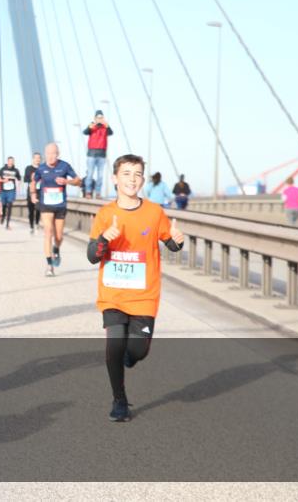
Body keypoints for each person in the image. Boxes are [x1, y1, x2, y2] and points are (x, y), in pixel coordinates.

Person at [87, 154, 184, 422]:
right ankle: (119, 400)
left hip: (144, 296)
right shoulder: (106, 214)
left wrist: (177, 240)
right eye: (126, 173)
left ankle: (132, 354)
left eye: (137, 174)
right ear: (115, 179)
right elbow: (92, 255)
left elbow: (171, 244)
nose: (132, 178)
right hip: (113, 295)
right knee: (114, 345)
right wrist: (104, 240)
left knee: (137, 351)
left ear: (143, 179)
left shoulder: (154, 213)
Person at [30, 143, 82, 277]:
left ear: (57, 154)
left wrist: (67, 182)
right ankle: (49, 265)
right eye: (48, 153)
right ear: (45, 154)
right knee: (48, 232)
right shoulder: (41, 168)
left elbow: (78, 181)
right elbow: (33, 181)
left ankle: (56, 248)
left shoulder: (64, 166)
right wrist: (33, 194)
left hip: (60, 205)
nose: (51, 156)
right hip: (46, 204)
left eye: (53, 153)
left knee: (59, 236)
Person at [83, 110, 114, 198]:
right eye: (98, 118)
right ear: (95, 118)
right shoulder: (92, 126)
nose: (100, 119)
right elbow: (85, 132)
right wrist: (89, 127)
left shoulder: (105, 127)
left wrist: (107, 126)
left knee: (100, 176)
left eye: (101, 117)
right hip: (91, 153)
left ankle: (98, 193)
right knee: (90, 174)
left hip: (102, 154)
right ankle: (88, 192)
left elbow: (111, 133)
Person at [0, 157, 22, 229]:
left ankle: (7, 224)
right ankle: (3, 217)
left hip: (11, 190)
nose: (11, 163)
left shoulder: (16, 170)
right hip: (3, 191)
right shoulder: (3, 169)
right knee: (4, 205)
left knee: (10, 205)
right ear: (7, 162)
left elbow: (19, 179)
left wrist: (18, 187)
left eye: (12, 161)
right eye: (10, 161)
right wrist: (3, 181)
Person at [23, 152, 42, 234]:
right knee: (31, 210)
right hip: (30, 191)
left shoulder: (43, 168)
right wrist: (32, 177)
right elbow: (25, 179)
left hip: (40, 191)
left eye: (39, 158)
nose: (37, 159)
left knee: (38, 209)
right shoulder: (28, 168)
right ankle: (31, 227)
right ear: (33, 159)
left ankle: (37, 223)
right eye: (36, 158)